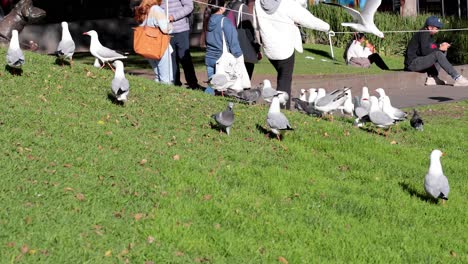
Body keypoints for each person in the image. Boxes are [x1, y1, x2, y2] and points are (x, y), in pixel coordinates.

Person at [255, 0, 330, 109]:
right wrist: (327, 27)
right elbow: (308, 20)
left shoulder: (259, 2)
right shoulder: (287, 3)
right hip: (285, 50)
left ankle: (281, 106)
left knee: (282, 77)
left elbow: (256, 23)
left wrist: (259, 42)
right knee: (285, 79)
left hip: (270, 49)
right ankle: (283, 108)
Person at [404, 16, 468, 86]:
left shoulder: (428, 35)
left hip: (418, 61)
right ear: (430, 27)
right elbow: (425, 51)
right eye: (437, 28)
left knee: (440, 52)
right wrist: (439, 49)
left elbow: (431, 47)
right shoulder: (424, 33)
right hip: (412, 63)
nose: (438, 30)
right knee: (438, 53)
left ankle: (432, 78)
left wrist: (440, 46)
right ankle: (457, 78)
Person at [161, 0, 203, 90]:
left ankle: (193, 85)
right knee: (171, 59)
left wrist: (174, 17)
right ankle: (175, 85)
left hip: (181, 30)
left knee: (185, 58)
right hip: (166, 30)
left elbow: (189, 6)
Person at [205, 0, 244, 94]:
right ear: (221, 8)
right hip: (221, 59)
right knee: (218, 87)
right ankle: (203, 101)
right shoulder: (225, 21)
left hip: (209, 57)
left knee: (213, 85)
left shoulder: (208, 20)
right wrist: (239, 55)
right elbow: (233, 41)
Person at [134, 0, 173, 84]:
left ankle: (157, 95)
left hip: (147, 47)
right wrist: (170, 23)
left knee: (157, 75)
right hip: (159, 46)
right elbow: (165, 29)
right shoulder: (156, 9)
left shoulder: (142, 10)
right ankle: (166, 95)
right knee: (166, 78)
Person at [224, 0, 261, 80]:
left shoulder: (228, 6)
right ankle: (244, 89)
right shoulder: (242, 7)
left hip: (230, 43)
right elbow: (249, 29)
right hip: (242, 44)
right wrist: (256, 47)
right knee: (247, 68)